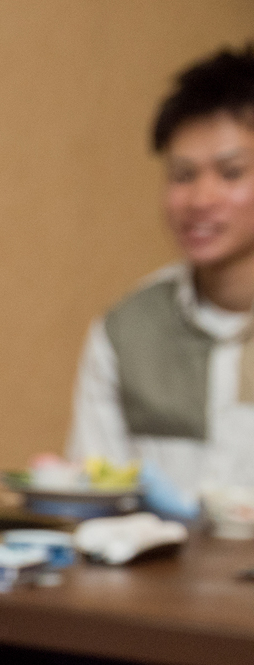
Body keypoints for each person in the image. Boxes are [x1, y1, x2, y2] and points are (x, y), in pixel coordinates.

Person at [68, 44, 254, 507]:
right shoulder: (126, 331)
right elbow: (95, 499)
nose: (200, 199)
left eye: (231, 173)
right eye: (183, 175)